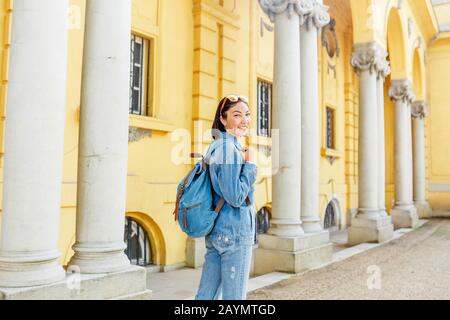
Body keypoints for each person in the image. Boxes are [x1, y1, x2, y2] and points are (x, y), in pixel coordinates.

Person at [195, 95, 258, 300]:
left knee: (206, 296)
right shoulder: (229, 149)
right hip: (234, 233)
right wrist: (250, 166)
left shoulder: (216, 145)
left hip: (218, 232)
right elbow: (236, 197)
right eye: (237, 115)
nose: (244, 120)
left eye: (247, 115)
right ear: (223, 119)